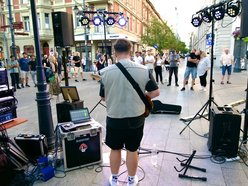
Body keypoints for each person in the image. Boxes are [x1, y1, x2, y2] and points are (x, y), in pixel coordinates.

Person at [99, 39, 160, 186]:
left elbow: (103, 96)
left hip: (115, 117)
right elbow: (155, 92)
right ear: (130, 51)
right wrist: (142, 95)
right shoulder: (144, 70)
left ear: (114, 52)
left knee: (115, 148)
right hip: (136, 117)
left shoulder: (105, 72)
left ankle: (114, 180)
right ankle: (131, 180)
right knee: (132, 150)